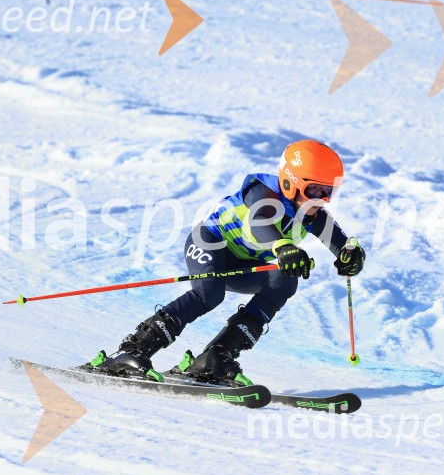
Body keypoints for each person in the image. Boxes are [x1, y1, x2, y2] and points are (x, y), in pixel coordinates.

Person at [82, 139, 365, 386]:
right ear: (291, 181)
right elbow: (261, 223)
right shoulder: (262, 193)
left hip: (245, 265)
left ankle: (216, 356)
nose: (324, 199)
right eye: (316, 190)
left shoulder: (313, 212)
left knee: (283, 280)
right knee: (209, 293)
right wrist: (283, 246)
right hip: (209, 244)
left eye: (330, 191)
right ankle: (133, 351)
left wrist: (349, 253)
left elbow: (340, 242)